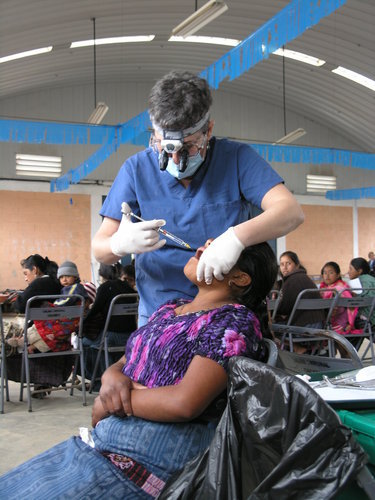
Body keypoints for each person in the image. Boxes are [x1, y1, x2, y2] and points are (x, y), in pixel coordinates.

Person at [0, 240, 278, 498]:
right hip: (107, 441)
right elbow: (127, 360)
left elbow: (184, 402)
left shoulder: (234, 321)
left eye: (217, 246)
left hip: (147, 455)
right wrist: (111, 377)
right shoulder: (171, 308)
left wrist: (112, 403)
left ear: (240, 278)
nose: (203, 246)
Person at [92, 71, 304, 326]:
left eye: (189, 147)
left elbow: (290, 212)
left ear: (209, 130)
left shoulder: (236, 159)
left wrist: (236, 238)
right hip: (159, 316)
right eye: (165, 148)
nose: (177, 161)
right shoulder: (136, 170)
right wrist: (118, 245)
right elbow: (100, 250)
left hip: (224, 314)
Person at [82, 263, 138, 389]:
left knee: (83, 343)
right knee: (103, 344)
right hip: (130, 336)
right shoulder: (132, 292)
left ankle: (97, 382)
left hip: (110, 336)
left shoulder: (105, 287)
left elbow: (94, 311)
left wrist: (81, 326)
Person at [274, 251, 325, 329]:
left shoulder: (291, 281)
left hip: (302, 326)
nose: (284, 267)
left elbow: (283, 309)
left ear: (297, 265)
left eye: (288, 263)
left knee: (270, 327)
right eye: (282, 264)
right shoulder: (305, 278)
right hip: (318, 325)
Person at [319, 261, 358, 334]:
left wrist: (350, 323)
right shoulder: (323, 288)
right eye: (325, 273)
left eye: (331, 273)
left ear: (337, 275)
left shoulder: (340, 288)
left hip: (340, 323)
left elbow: (351, 305)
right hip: (327, 322)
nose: (327, 275)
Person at [348, 257, 375, 328]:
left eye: (351, 269)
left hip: (369, 318)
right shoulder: (370, 279)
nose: (348, 272)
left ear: (359, 271)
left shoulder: (359, 281)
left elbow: (365, 299)